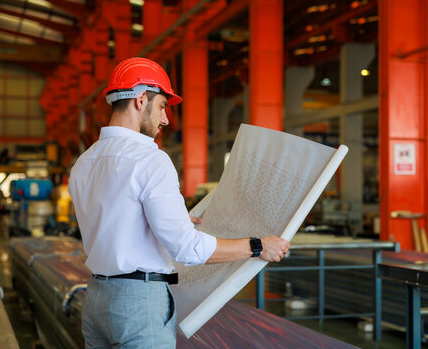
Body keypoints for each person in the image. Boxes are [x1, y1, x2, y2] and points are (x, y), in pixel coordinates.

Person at [68, 57, 290, 349]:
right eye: (162, 106)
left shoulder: (85, 162)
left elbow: (117, 219)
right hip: (138, 304)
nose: (165, 120)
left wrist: (175, 219)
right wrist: (258, 246)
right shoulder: (150, 159)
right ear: (140, 99)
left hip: (96, 298)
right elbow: (186, 248)